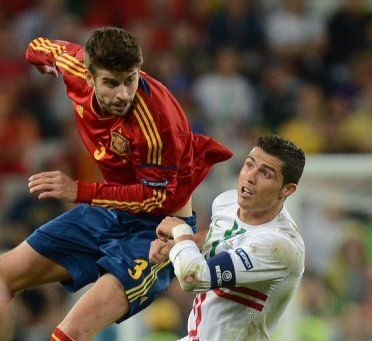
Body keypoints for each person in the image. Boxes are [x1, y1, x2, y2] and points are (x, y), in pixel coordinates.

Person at [0, 27, 232, 340]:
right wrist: (44, 64)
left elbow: (154, 199)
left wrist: (78, 191)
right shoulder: (74, 66)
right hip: (108, 211)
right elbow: (39, 47)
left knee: (68, 334)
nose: (123, 93)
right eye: (111, 83)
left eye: (130, 80)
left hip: (155, 231)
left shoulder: (159, 122)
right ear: (89, 74)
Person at [149, 135, 306, 340]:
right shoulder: (227, 202)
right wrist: (174, 246)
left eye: (265, 173)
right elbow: (217, 239)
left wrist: (181, 233)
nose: (250, 177)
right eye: (249, 165)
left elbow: (194, 278)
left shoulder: (280, 245)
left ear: (287, 189)